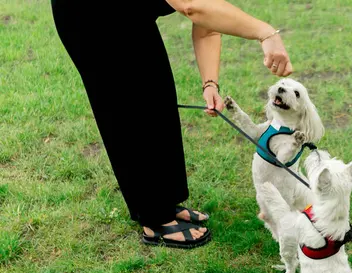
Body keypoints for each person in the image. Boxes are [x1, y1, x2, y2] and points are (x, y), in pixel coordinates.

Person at [50, 0, 293, 249]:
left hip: (128, 12)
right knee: (125, 110)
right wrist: (265, 33)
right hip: (88, 16)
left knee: (158, 95)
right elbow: (193, 7)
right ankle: (155, 219)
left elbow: (206, 23)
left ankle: (165, 202)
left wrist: (210, 83)